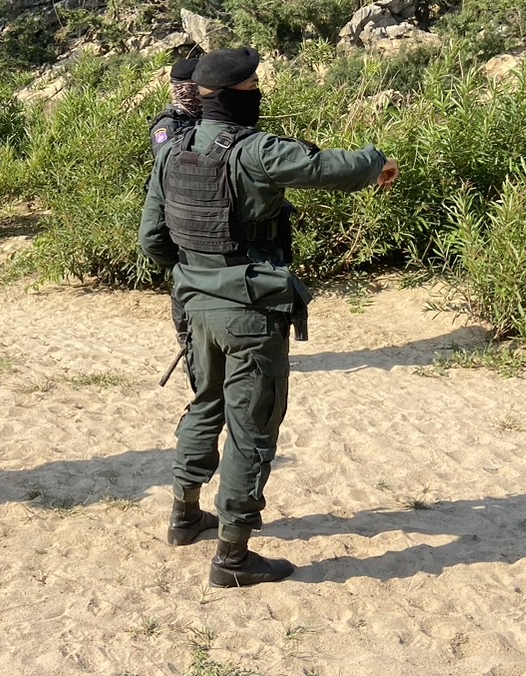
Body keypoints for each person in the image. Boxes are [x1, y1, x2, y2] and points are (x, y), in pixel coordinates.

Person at [138, 47, 398, 587]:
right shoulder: (255, 151)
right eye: (254, 86)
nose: (259, 93)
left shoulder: (172, 149)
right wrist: (377, 162)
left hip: (193, 305)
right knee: (251, 428)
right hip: (250, 310)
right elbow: (325, 167)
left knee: (204, 403)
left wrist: (198, 274)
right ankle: (233, 557)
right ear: (237, 96)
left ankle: (185, 517)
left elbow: (153, 241)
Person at [148, 56, 202, 390]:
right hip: (178, 214)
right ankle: (187, 342)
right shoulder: (166, 126)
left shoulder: (212, 118)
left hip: (209, 211)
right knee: (184, 281)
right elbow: (170, 162)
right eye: (190, 88)